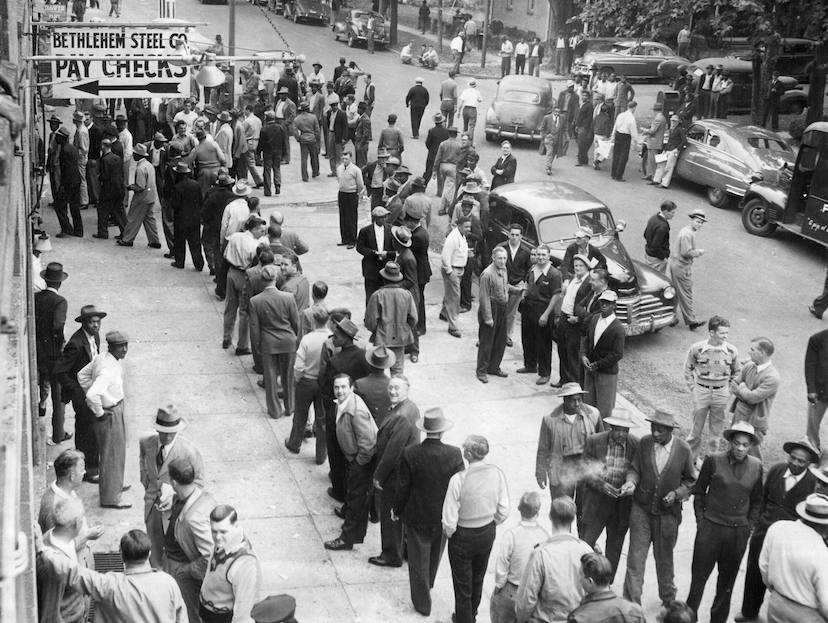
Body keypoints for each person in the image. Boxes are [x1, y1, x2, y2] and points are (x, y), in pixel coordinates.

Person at [736, 437, 820, 623]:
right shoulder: (776, 471)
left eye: (801, 461)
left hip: (791, 541)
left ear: (808, 464)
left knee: (784, 580)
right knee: (755, 572)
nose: (795, 463)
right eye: (793, 458)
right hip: (764, 533)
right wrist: (758, 523)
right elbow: (762, 499)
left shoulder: (813, 482)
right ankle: (749, 613)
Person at [686, 421, 763, 623]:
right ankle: (687, 619)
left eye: (745, 445)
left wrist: (748, 527)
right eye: (736, 443)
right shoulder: (713, 460)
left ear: (751, 446)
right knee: (698, 582)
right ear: (730, 442)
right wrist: (702, 523)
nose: (740, 448)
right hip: (710, 528)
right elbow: (699, 493)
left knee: (726, 586)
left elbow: (756, 501)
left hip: (738, 532)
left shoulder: (757, 467)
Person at [620, 408, 696, 606]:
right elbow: (635, 469)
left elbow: (690, 481)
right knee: (635, 559)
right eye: (653, 428)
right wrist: (631, 482)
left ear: (671, 430)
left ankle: (668, 599)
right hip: (641, 511)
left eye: (660, 430)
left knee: (664, 559)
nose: (654, 433)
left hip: (668, 516)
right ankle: (631, 604)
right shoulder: (645, 443)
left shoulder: (684, 449)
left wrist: (677, 494)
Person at [443, 435, 510, 623]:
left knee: (462, 583)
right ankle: (471, 614)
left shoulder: (458, 479)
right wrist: (491, 522)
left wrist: (451, 533)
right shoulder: (497, 473)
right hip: (487, 532)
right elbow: (504, 509)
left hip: (463, 535)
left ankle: (464, 619)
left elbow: (449, 518)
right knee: (477, 578)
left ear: (469, 454)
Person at [138, 405, 204, 569]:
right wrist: (146, 481)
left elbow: (199, 485)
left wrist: (174, 496)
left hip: (175, 513)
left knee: (173, 556)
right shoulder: (147, 442)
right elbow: (143, 459)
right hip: (152, 507)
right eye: (163, 431)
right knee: (154, 550)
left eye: (172, 432)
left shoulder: (189, 452)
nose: (167, 436)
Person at [580, 409, 639, 582]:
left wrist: (630, 484)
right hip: (597, 503)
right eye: (618, 429)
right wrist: (601, 485)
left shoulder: (636, 444)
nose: (621, 434)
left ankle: (606, 584)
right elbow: (584, 470)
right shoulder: (594, 441)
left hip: (621, 506)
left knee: (614, 548)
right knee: (586, 544)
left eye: (625, 430)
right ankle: (582, 580)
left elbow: (637, 471)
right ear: (611, 426)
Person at [369, 374, 421, 568]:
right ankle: (401, 548)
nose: (391, 391)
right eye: (390, 387)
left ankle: (391, 555)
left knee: (389, 516)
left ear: (406, 390)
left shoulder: (401, 416)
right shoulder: (410, 407)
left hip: (394, 475)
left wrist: (378, 476)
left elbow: (393, 451)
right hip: (403, 472)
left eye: (396, 389)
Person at [515, 496, 593, 622]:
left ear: (550, 517)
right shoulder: (587, 550)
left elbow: (526, 602)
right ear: (573, 519)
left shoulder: (540, 554)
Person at [325, 374, 378, 551]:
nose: (339, 391)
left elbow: (368, 443)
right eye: (336, 387)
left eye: (343, 387)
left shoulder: (357, 412)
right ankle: (353, 511)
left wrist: (358, 464)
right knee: (354, 491)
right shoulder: (344, 403)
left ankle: (347, 538)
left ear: (351, 388)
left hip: (362, 460)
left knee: (357, 497)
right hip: (354, 457)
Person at [320, 318, 371, 503]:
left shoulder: (335, 362)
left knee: (336, 451)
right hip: (358, 409)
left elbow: (327, 392)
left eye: (337, 335)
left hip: (339, 412)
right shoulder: (365, 356)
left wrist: (328, 415)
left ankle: (339, 490)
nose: (334, 338)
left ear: (346, 338)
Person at [77, 330, 130, 509]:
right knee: (111, 455)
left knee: (116, 452)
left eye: (125, 345)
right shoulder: (107, 369)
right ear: (111, 347)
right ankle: (111, 497)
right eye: (119, 346)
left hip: (114, 408)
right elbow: (92, 394)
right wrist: (99, 412)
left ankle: (115, 484)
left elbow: (82, 376)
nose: (124, 349)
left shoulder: (102, 358)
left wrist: (91, 393)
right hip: (110, 411)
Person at [536, 380, 603, 518]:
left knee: (585, 510)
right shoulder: (550, 419)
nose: (578, 404)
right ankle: (563, 537)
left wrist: (601, 469)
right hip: (562, 467)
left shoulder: (593, 414)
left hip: (585, 466)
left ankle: (583, 539)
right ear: (564, 400)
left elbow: (601, 444)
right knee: (562, 510)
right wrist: (540, 472)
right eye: (573, 401)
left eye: (580, 399)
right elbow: (543, 448)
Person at [163, 459, 217, 623]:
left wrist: (188, 571)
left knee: (186, 615)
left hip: (181, 569)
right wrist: (173, 500)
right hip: (175, 563)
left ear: (173, 482)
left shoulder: (194, 519)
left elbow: (209, 555)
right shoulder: (200, 495)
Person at [759, 493, 828, 622]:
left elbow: (764, 566)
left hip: (776, 604)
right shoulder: (821, 551)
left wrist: (778, 592)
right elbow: (826, 602)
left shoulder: (777, 528)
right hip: (808, 614)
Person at [54, 306, 104, 478]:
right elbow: (59, 371)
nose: (95, 326)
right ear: (84, 323)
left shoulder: (94, 337)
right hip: (81, 393)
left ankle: (90, 465)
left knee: (92, 427)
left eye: (97, 322)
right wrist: (75, 389)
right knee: (85, 429)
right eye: (91, 322)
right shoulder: (75, 343)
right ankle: (89, 469)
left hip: (92, 388)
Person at [683, 316, 741, 462]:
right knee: (696, 431)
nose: (725, 336)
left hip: (721, 392)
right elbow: (687, 369)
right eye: (722, 333)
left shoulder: (731, 351)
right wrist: (693, 388)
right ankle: (689, 461)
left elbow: (737, 372)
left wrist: (729, 390)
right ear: (712, 333)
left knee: (716, 434)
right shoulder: (697, 348)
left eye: (727, 333)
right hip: (701, 390)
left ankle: (709, 463)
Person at [490, 492, 549, 623]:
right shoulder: (545, 536)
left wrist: (498, 588)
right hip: (534, 593)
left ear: (519, 509)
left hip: (512, 590)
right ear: (537, 513)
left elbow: (502, 566)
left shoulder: (511, 535)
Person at [250, 264, 300, 419]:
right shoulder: (288, 297)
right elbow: (296, 322)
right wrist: (295, 339)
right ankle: (290, 406)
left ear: (262, 280)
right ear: (276, 278)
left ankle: (274, 410)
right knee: (288, 376)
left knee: (271, 379)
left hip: (269, 343)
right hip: (288, 341)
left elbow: (254, 328)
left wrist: (258, 346)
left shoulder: (255, 301)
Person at [199, 505, 261, 623]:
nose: (217, 537)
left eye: (223, 532)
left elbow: (242, 615)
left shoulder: (244, 563)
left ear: (236, 526)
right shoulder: (227, 541)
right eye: (214, 531)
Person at [36, 497, 92, 623]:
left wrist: (86, 537)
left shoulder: (52, 535)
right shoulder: (54, 570)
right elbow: (50, 616)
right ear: (77, 523)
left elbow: (70, 544)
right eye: (83, 516)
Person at [285, 304, 330, 462]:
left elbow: (298, 366)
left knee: (300, 415)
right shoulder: (331, 338)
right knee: (322, 418)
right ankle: (321, 454)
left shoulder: (308, 339)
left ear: (314, 321)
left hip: (307, 380)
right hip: (324, 383)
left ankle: (295, 443)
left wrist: (299, 378)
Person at [729, 337, 781, 459]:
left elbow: (752, 398)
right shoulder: (749, 366)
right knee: (733, 448)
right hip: (739, 414)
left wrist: (742, 387)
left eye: (752, 349)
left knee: (752, 456)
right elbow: (733, 384)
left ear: (762, 353)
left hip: (755, 420)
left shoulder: (772, 377)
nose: (749, 352)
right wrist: (744, 391)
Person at [517, 244, 562, 385]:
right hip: (529, 307)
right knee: (528, 337)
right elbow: (527, 284)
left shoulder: (554, 274)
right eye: (538, 255)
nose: (540, 257)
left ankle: (545, 373)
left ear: (549, 256)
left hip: (543, 309)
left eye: (544, 255)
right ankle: (530, 365)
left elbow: (556, 296)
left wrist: (546, 314)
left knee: (543, 343)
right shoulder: (532, 269)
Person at [222, 215, 268, 351]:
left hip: (231, 272)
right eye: (261, 231)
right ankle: (242, 344)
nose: (262, 234)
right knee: (244, 311)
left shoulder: (235, 237)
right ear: (254, 230)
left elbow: (225, 255)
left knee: (230, 306)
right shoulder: (255, 246)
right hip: (244, 275)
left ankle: (226, 337)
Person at [35, 262, 69, 443]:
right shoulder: (60, 301)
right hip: (53, 354)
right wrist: (59, 344)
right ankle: (58, 433)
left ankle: (40, 411)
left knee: (41, 386)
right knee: (58, 395)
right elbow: (58, 325)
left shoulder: (35, 297)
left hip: (37, 350)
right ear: (60, 283)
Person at [364, 262, 418, 376]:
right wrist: (404, 327)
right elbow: (413, 318)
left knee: (378, 371)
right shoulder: (406, 294)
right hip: (400, 338)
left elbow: (370, 321)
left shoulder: (377, 295)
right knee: (397, 372)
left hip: (381, 338)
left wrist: (377, 330)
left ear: (384, 278)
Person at [477, 247, 521, 383]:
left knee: (500, 341)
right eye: (500, 258)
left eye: (505, 258)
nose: (503, 261)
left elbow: (505, 285)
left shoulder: (504, 270)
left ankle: (494, 367)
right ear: (493, 258)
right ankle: (481, 371)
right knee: (487, 342)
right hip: (491, 308)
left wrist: (516, 291)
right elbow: (484, 297)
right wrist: (488, 318)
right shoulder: (487, 274)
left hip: (503, 308)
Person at [568, 552, 647, 623]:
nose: (579, 578)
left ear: (590, 581)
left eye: (580, 574)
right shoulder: (636, 612)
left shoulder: (578, 618)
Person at [668, 209, 707, 330]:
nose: (699, 225)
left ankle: (671, 317)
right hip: (681, 266)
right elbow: (686, 252)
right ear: (692, 220)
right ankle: (691, 320)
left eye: (701, 222)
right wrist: (698, 252)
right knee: (686, 293)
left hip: (676, 264)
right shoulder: (687, 234)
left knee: (676, 292)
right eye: (697, 222)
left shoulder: (687, 231)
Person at [118, 143, 161, 249]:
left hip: (141, 197)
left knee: (132, 218)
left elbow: (140, 186)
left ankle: (127, 239)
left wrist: (131, 187)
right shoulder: (149, 165)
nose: (133, 155)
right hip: (150, 196)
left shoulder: (140, 169)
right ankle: (154, 240)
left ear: (138, 155)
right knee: (150, 219)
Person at [168, 162, 204, 271]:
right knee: (195, 242)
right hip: (194, 218)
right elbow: (200, 201)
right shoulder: (196, 184)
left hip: (181, 219)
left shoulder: (177, 187)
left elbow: (175, 204)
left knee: (180, 241)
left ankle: (180, 261)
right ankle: (199, 263)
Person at [356, 206, 395, 304]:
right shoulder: (365, 231)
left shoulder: (391, 229)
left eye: (385, 217)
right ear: (375, 218)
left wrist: (387, 254)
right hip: (371, 268)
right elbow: (360, 247)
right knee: (371, 296)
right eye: (382, 217)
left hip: (386, 268)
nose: (384, 219)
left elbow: (395, 248)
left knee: (385, 296)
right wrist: (373, 253)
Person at [440, 216, 470, 338]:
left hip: (459, 270)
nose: (469, 229)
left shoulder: (461, 236)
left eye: (470, 226)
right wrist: (450, 272)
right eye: (466, 226)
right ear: (459, 226)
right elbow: (444, 256)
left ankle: (444, 313)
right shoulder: (453, 238)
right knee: (454, 299)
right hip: (452, 270)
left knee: (450, 294)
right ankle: (453, 327)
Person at [54, 126, 84, 238]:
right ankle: (78, 230)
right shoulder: (72, 148)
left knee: (60, 206)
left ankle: (66, 229)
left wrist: (62, 186)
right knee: (74, 207)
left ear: (62, 138)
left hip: (68, 183)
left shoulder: (64, 151)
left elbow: (66, 170)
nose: (56, 138)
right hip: (76, 181)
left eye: (58, 137)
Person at [95, 138, 126, 239]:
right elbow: (122, 173)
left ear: (103, 146)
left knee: (103, 211)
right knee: (120, 213)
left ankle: (102, 232)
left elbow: (105, 176)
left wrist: (99, 177)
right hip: (119, 189)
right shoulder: (118, 158)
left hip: (108, 190)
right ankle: (125, 233)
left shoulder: (105, 160)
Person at [336, 151, 364, 249]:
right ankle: (345, 239)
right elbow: (339, 180)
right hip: (342, 193)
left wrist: (357, 193)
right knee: (343, 216)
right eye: (343, 159)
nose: (344, 161)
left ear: (350, 159)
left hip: (351, 194)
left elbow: (360, 184)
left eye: (346, 159)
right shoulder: (339, 168)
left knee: (351, 217)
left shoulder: (356, 170)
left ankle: (352, 240)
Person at [806, 329, 828, 448]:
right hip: (820, 391)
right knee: (813, 426)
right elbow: (810, 365)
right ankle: (812, 451)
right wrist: (811, 389)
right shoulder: (817, 339)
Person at [652, 115, 686, 189]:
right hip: (668, 149)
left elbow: (684, 140)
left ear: (677, 122)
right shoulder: (672, 129)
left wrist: (677, 149)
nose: (673, 123)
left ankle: (664, 183)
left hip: (673, 150)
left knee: (669, 167)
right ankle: (656, 180)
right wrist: (664, 149)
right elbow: (669, 141)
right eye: (672, 121)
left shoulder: (679, 130)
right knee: (661, 164)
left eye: (674, 121)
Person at [643, 201, 677, 273]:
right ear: (665, 212)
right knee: (655, 278)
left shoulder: (653, 218)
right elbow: (656, 246)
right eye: (672, 213)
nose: (674, 215)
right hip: (656, 258)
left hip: (649, 253)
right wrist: (663, 257)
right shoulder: (663, 226)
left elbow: (645, 234)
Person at [434, 126, 462, 214]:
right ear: (456, 135)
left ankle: (445, 206)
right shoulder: (459, 145)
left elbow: (438, 157)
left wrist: (435, 169)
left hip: (442, 166)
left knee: (445, 186)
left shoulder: (443, 143)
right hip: (453, 167)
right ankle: (444, 207)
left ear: (449, 134)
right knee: (448, 188)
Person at [610, 101, 639, 182]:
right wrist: (635, 142)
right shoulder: (632, 118)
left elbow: (615, 126)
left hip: (618, 135)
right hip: (626, 137)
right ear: (634, 108)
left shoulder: (620, 115)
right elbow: (633, 132)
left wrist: (613, 136)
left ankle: (613, 173)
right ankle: (618, 176)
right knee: (623, 157)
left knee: (616, 155)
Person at [258, 111, 285, 195]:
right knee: (277, 168)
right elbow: (283, 141)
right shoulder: (280, 128)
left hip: (267, 152)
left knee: (267, 170)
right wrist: (284, 152)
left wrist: (258, 152)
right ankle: (277, 185)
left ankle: (268, 190)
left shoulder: (264, 129)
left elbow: (261, 142)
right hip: (278, 151)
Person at [641, 103, 668, 180]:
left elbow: (652, 131)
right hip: (655, 142)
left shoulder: (658, 119)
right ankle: (649, 174)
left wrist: (644, 130)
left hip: (654, 142)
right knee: (650, 160)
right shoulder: (662, 118)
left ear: (655, 111)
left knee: (652, 161)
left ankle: (653, 177)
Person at [540, 106, 563, 175]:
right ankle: (548, 167)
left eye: (558, 112)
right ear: (553, 111)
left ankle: (550, 164)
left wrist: (567, 136)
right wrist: (545, 136)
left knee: (553, 153)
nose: (557, 113)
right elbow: (542, 128)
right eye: (556, 112)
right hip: (549, 138)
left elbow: (564, 127)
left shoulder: (562, 118)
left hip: (557, 138)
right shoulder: (547, 118)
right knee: (549, 152)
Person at [458, 80, 482, 144]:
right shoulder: (477, 92)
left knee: (465, 125)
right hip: (473, 109)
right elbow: (480, 100)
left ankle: (463, 141)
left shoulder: (465, 91)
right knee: (471, 127)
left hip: (465, 109)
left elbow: (461, 102)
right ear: (475, 85)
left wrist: (459, 111)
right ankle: (470, 142)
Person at [574, 92, 594, 166]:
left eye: (585, 95)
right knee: (582, 144)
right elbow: (579, 116)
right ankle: (585, 160)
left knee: (581, 144)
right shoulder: (583, 104)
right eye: (583, 95)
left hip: (584, 127)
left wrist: (585, 127)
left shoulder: (589, 106)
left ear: (588, 97)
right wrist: (577, 125)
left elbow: (589, 118)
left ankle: (580, 160)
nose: (583, 97)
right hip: (580, 126)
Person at [354, 102, 372, 168]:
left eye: (360, 109)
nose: (358, 110)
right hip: (358, 142)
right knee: (358, 162)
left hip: (362, 143)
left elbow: (366, 134)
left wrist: (360, 145)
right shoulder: (361, 118)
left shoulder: (365, 120)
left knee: (362, 163)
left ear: (363, 110)